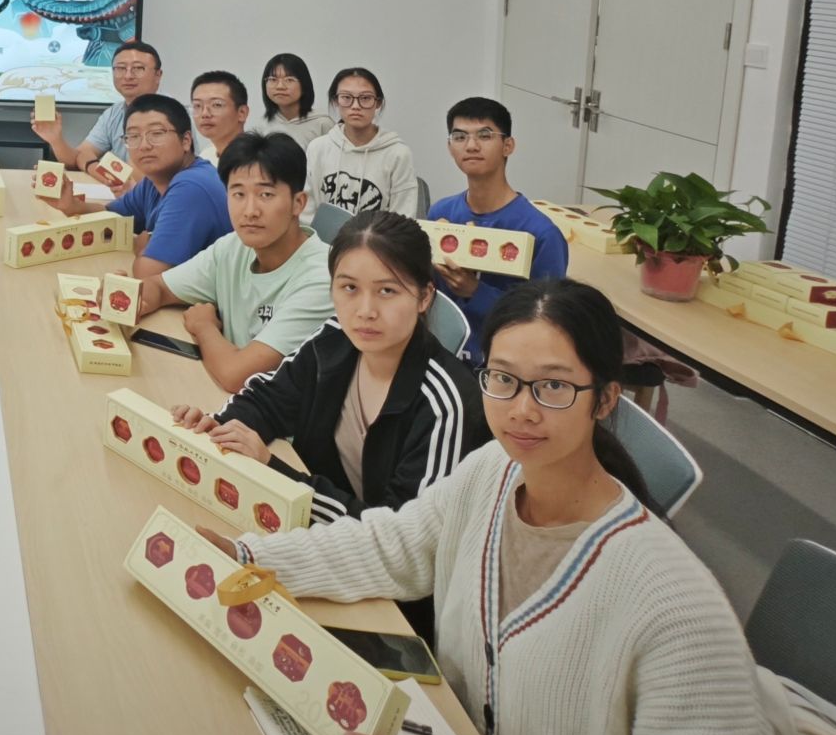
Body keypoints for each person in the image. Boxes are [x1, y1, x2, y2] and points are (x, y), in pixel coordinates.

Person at [210, 281, 794, 735]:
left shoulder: (676, 608)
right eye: (503, 380)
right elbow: (392, 545)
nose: (522, 411)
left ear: (605, 399)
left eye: (554, 387)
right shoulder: (493, 470)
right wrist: (247, 557)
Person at [173, 211, 487, 524]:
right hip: (314, 528)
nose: (365, 311)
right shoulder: (337, 337)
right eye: (349, 288)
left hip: (372, 549)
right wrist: (217, 427)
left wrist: (274, 472)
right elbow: (268, 400)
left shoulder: (446, 405)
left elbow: (403, 535)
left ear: (424, 297)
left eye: (387, 291)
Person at [132, 132, 335, 396]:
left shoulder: (323, 278)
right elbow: (158, 288)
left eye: (266, 194)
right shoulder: (233, 247)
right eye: (238, 194)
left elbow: (237, 376)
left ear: (298, 203)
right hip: (226, 399)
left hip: (274, 416)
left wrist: (204, 326)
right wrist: (127, 297)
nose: (250, 211)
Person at [427, 97, 571, 359]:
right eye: (459, 137)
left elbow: (547, 322)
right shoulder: (441, 214)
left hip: (504, 364)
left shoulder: (541, 234)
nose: (471, 145)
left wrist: (475, 290)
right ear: (450, 147)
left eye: (485, 135)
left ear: (508, 145)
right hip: (442, 356)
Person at [50, 94, 229, 275]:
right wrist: (72, 206)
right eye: (133, 136)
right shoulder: (155, 180)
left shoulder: (191, 188)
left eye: (156, 134)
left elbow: (149, 274)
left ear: (186, 141)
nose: (144, 146)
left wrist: (140, 248)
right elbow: (113, 217)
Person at [30, 38, 163, 177]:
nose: (128, 76)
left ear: (158, 75)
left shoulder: (168, 115)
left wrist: (90, 165)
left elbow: (141, 178)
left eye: (138, 68)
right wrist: (55, 139)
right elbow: (78, 158)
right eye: (121, 68)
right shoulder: (114, 113)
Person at [304, 66, 417, 224]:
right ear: (335, 101)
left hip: (378, 239)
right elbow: (307, 211)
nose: (355, 106)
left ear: (378, 103)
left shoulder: (397, 154)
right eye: (346, 97)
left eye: (365, 98)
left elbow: (404, 216)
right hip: (323, 239)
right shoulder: (318, 148)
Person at [254, 52, 334, 151]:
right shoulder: (262, 125)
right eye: (273, 79)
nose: (280, 86)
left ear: (304, 85)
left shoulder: (323, 124)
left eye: (289, 80)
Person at [190, 70, 253, 163]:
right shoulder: (205, 157)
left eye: (217, 105)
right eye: (197, 105)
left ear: (242, 113)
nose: (205, 114)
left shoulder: (259, 159)